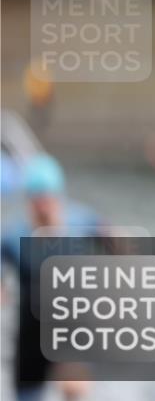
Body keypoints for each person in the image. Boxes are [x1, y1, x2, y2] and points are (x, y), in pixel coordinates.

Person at [0, 154, 100, 401]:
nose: (43, 206)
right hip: (32, 331)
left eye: (47, 198)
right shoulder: (15, 237)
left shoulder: (81, 223)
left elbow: (119, 245)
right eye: (37, 200)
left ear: (58, 197)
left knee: (75, 388)